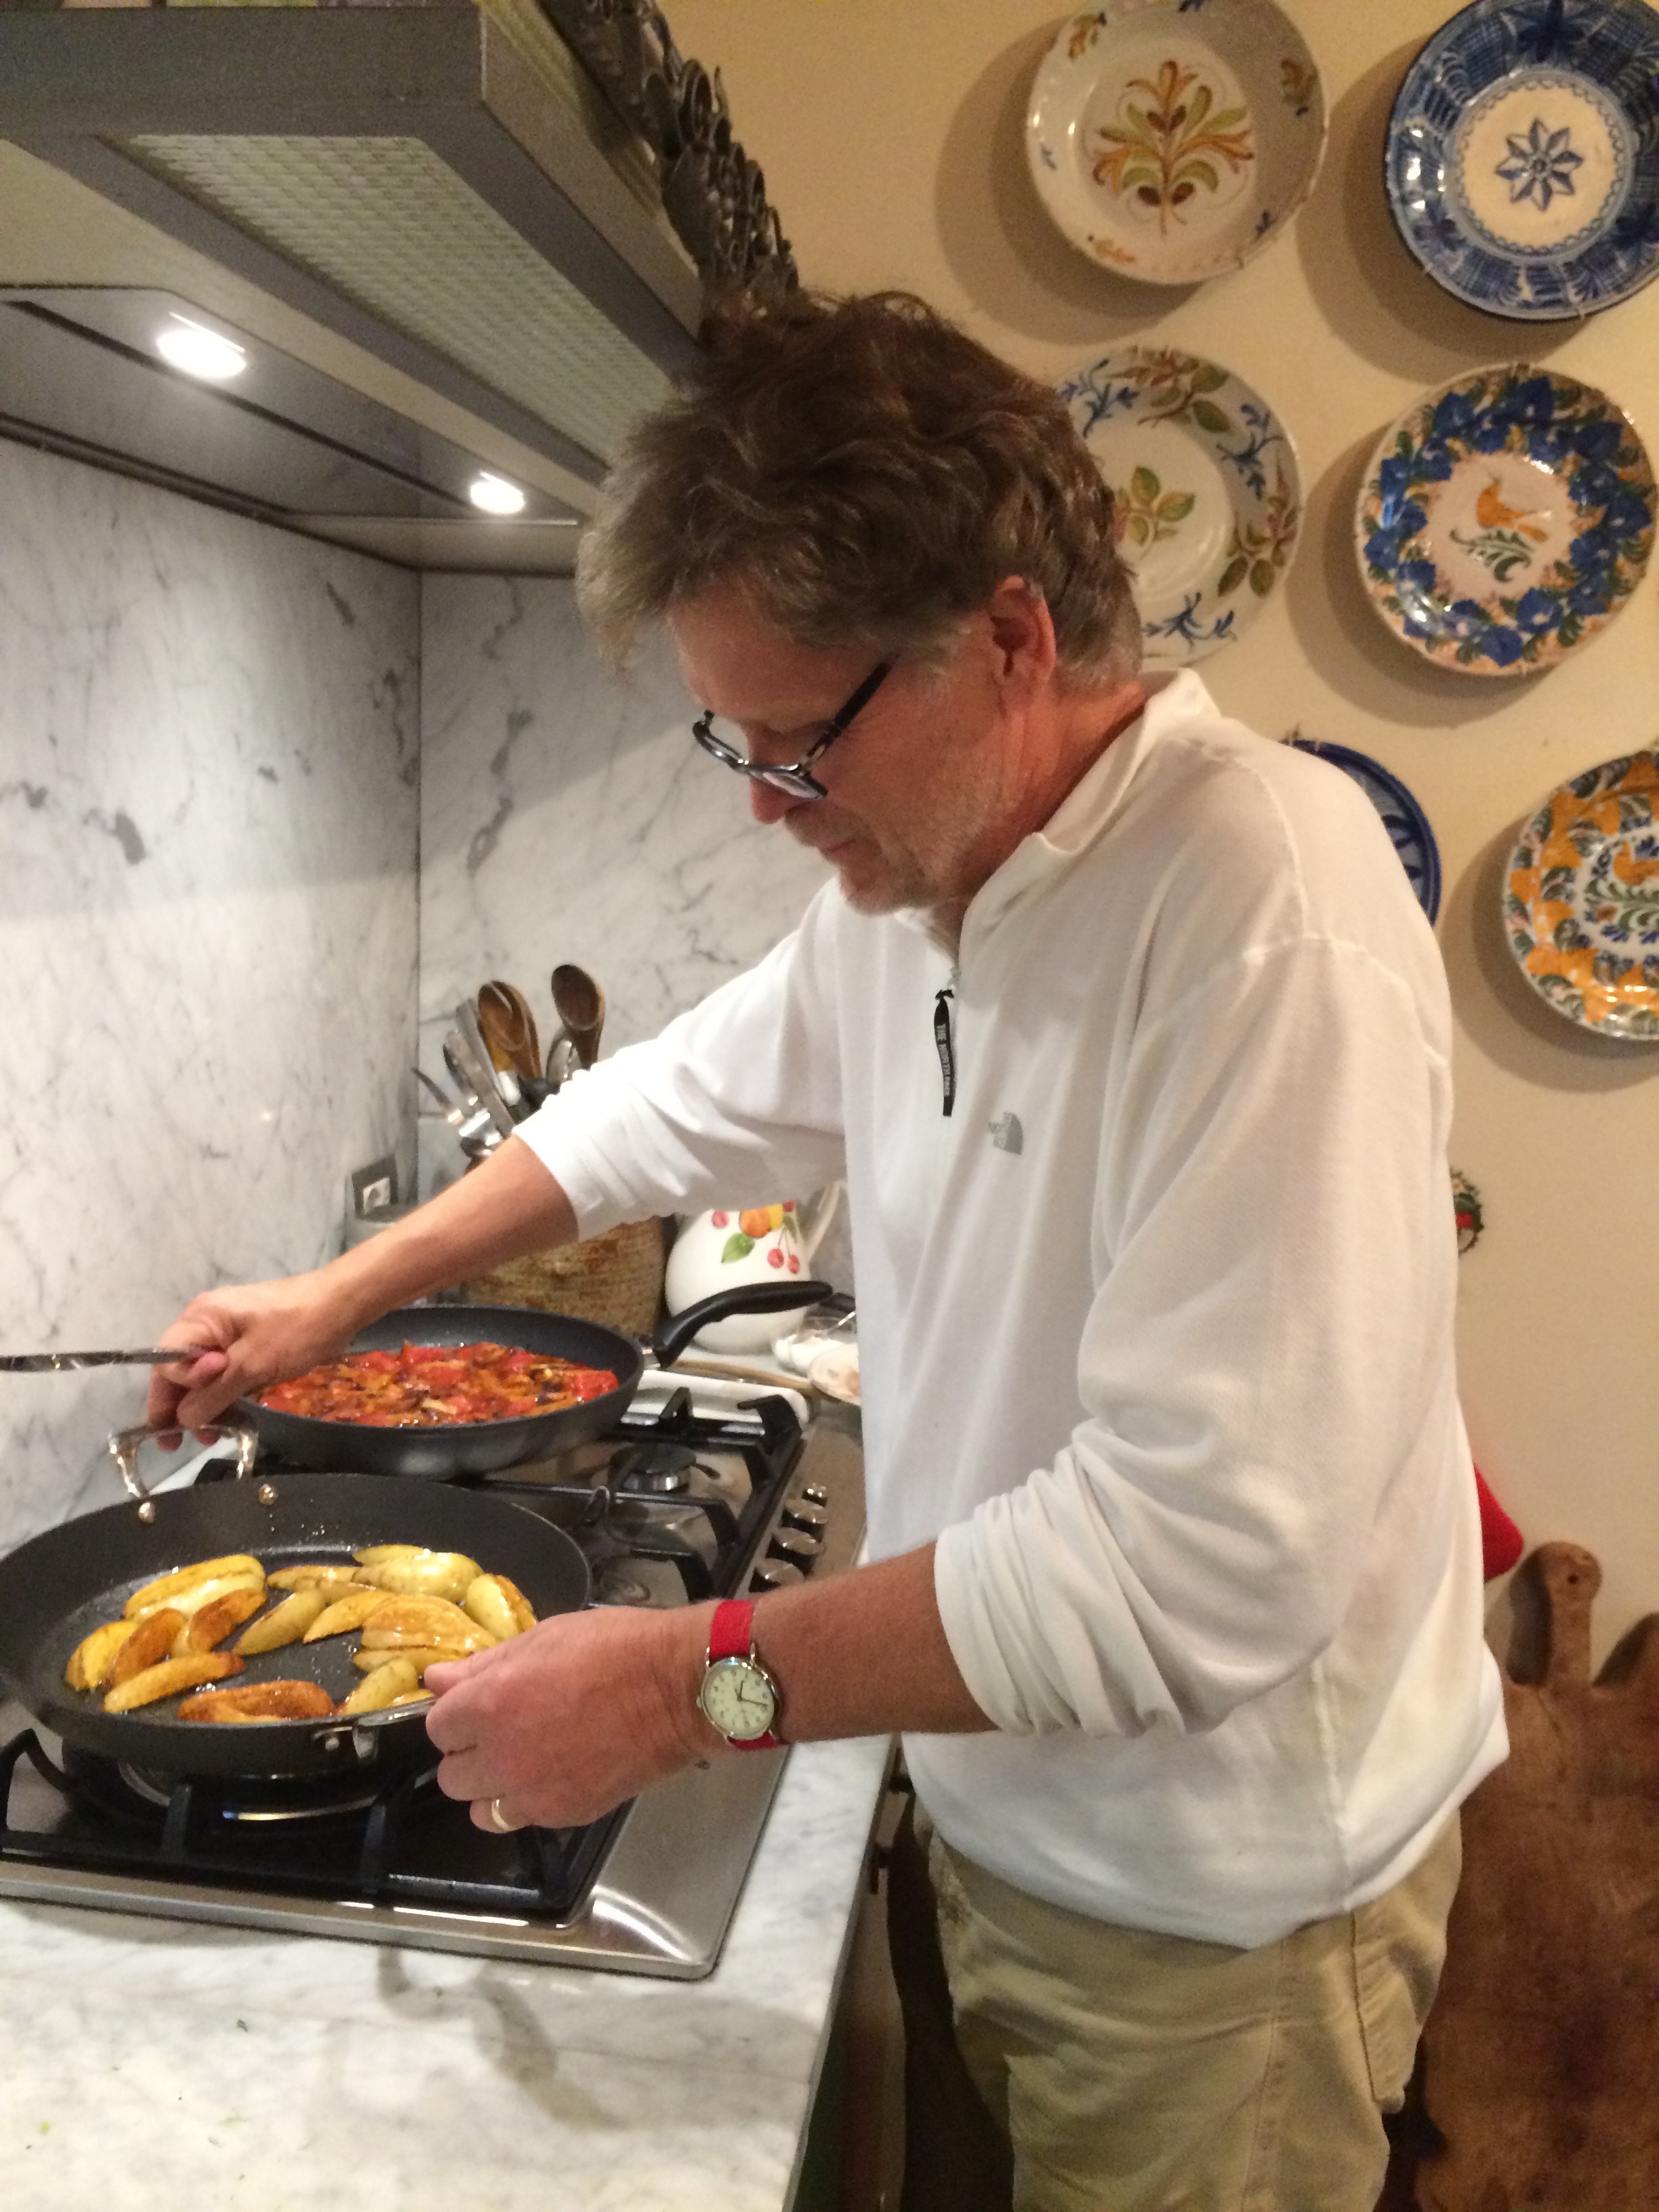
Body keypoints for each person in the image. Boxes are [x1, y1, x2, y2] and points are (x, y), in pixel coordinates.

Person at [152, 291, 1507, 2212]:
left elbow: (1189, 1568)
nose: (767, 804)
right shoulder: (924, 882)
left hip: (1213, 1938)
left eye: (799, 740)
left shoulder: (1264, 914)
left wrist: (680, 1685)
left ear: (1009, 641)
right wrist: (343, 1294)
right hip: (988, 1816)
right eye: (737, 738)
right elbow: (670, 1102)